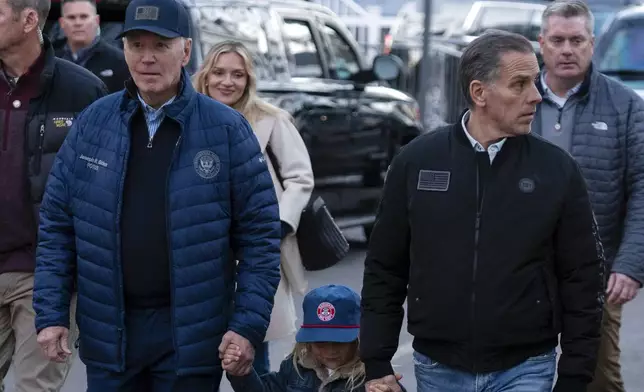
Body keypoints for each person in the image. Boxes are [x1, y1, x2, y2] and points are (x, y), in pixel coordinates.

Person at [32, 0, 281, 390]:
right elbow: (57, 227)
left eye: (160, 46)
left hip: (191, 338)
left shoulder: (226, 130)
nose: (147, 58)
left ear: (185, 51)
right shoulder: (94, 123)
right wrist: (50, 314)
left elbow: (260, 238)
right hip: (109, 333)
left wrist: (246, 325)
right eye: (136, 45)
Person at [360, 30, 605, 392]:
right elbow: (385, 266)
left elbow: (583, 277)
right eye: (520, 84)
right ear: (479, 93)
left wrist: (574, 375)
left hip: (526, 366)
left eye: (535, 82)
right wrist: (376, 362)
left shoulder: (557, 169)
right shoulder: (416, 161)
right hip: (438, 365)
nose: (536, 96)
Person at [535, 1, 644, 391]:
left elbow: (643, 190)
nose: (568, 49)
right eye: (559, 40)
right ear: (542, 43)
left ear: (592, 44)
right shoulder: (514, 100)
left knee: (597, 380)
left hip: (596, 273)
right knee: (520, 377)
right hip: (520, 271)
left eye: (577, 40)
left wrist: (630, 265)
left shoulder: (626, 106)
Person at [0, 0, 107, 389]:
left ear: (29, 20)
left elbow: (103, 188)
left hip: (45, 274)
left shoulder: (82, 90)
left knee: (35, 387)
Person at [193, 40, 313, 376]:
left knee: (250, 351)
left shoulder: (272, 121)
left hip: (254, 252)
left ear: (249, 80)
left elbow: (300, 177)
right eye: (219, 72)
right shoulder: (187, 117)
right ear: (205, 74)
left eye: (237, 74)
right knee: (198, 357)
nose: (227, 82)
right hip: (200, 252)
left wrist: (278, 225)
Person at [223, 284, 405, 392]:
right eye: (321, 343)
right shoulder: (295, 367)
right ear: (308, 342)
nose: (331, 351)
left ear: (357, 338)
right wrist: (241, 372)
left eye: (340, 342)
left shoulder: (372, 377)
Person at [55, 0, 130, 93]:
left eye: (84, 17)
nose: (78, 23)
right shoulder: (48, 59)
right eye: (71, 17)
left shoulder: (120, 61)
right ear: (62, 23)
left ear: (96, 21)